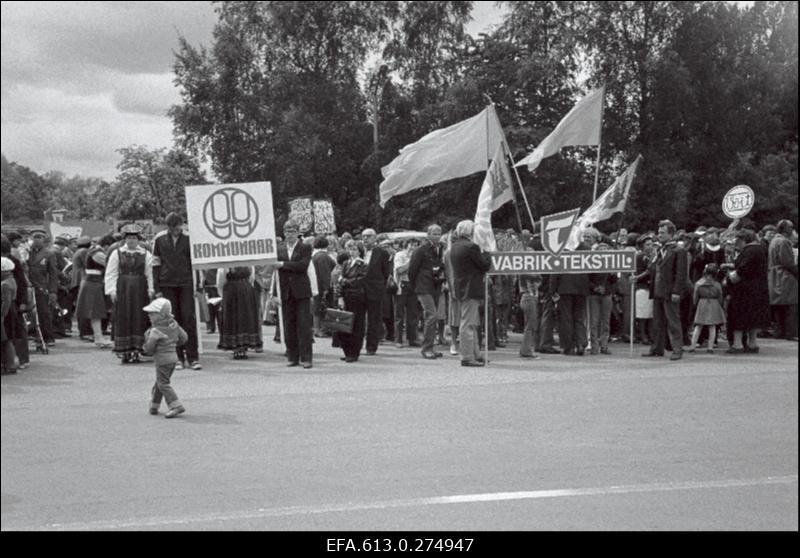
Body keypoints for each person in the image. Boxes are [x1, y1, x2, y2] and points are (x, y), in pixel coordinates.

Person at [152, 213, 201, 370]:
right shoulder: (159, 239)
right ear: (167, 226)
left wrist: (198, 285)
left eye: (178, 226)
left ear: (182, 224)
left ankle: (193, 357)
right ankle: (177, 357)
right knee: (172, 321)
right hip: (167, 283)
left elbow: (197, 263)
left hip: (186, 283)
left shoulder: (189, 238)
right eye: (172, 227)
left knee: (188, 319)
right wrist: (156, 288)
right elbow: (156, 263)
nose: (175, 230)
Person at [105, 224, 154, 363]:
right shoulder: (117, 253)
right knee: (123, 316)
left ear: (138, 239)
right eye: (129, 238)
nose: (131, 241)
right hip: (123, 288)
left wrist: (151, 289)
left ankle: (138, 350)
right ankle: (124, 351)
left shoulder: (146, 254)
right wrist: (112, 290)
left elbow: (150, 273)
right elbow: (111, 273)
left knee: (139, 317)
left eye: (134, 238)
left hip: (140, 289)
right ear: (125, 239)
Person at [643, 220, 688, 361]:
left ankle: (677, 349)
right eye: (659, 232)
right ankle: (657, 348)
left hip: (670, 291)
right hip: (657, 290)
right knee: (657, 322)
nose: (659, 235)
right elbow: (652, 268)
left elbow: (681, 274)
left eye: (662, 233)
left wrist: (677, 291)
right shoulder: (658, 250)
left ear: (671, 234)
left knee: (673, 321)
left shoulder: (679, 250)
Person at [450, 220, 491, 367]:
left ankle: (475, 354)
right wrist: (487, 253)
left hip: (461, 287)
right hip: (471, 288)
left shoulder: (455, 246)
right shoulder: (471, 247)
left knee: (471, 322)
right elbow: (484, 265)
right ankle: (467, 356)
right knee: (468, 324)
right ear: (471, 232)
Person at [275, 219, 313, 368]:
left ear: (298, 233)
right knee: (288, 325)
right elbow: (276, 274)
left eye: (292, 231)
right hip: (286, 291)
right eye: (287, 231)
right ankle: (292, 356)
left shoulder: (305, 247)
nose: (289, 234)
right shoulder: (279, 249)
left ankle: (306, 358)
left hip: (301, 291)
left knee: (304, 326)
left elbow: (302, 266)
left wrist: (283, 264)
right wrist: (274, 293)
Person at [725, 229, 770, 354]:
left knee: (738, 316)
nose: (736, 243)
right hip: (758, 288)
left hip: (744, 290)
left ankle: (737, 344)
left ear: (743, 239)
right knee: (753, 318)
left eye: (738, 240)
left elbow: (743, 270)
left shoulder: (749, 251)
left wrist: (729, 278)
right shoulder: (760, 249)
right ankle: (752, 343)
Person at [142, 298, 188, 418]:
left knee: (163, 384)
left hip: (162, 360)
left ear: (160, 315)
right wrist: (173, 344)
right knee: (160, 382)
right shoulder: (174, 325)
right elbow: (184, 338)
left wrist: (145, 346)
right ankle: (154, 405)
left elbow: (149, 349)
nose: (149, 315)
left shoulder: (155, 331)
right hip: (173, 358)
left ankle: (176, 405)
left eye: (152, 313)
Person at [408, 224, 445, 360]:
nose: (437, 236)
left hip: (435, 286)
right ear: (428, 235)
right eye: (434, 234)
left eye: (439, 233)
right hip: (423, 286)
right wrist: (416, 286)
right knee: (432, 315)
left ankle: (430, 346)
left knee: (431, 317)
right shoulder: (421, 250)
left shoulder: (440, 248)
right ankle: (427, 348)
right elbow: (412, 270)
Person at [217, 266, 262, 359]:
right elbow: (221, 280)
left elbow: (251, 277)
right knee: (234, 319)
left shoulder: (247, 262)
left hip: (242, 291)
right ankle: (237, 348)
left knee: (245, 318)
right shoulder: (225, 264)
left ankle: (243, 346)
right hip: (235, 291)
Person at [334, 240, 369, 362]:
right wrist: (339, 297)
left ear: (360, 252)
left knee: (356, 326)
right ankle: (347, 350)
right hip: (346, 297)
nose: (352, 252)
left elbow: (358, 282)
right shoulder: (346, 263)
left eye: (354, 249)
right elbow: (339, 281)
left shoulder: (363, 265)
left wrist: (344, 281)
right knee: (344, 324)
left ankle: (354, 352)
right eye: (350, 249)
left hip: (357, 298)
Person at [75, 239, 112, 348]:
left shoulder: (94, 252)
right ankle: (98, 337)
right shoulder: (98, 253)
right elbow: (110, 264)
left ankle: (98, 337)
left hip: (92, 283)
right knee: (95, 312)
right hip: (93, 284)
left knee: (95, 313)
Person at [360, 228, 391, 355]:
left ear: (375, 238)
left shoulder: (382, 253)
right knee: (359, 319)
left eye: (368, 236)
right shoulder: (358, 251)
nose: (365, 238)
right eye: (363, 236)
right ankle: (356, 346)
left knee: (374, 320)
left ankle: (371, 347)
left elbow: (386, 272)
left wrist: (380, 286)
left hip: (375, 290)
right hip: (358, 290)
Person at [1, 235, 29, 369]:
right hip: (8, 300)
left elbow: (22, 282)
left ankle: (22, 359)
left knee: (16, 332)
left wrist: (23, 301)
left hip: (12, 301)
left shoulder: (12, 262)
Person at [26, 232, 59, 347]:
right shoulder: (26, 252)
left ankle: (48, 336)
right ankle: (34, 334)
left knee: (44, 312)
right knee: (29, 313)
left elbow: (53, 274)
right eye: (35, 237)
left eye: (39, 237)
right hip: (27, 285)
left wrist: (53, 291)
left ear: (44, 240)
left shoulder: (49, 254)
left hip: (41, 287)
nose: (37, 240)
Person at [768, 220, 798, 341]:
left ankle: (779, 332)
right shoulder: (784, 241)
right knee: (791, 305)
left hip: (774, 275)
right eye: (791, 227)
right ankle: (791, 333)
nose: (792, 229)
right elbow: (788, 262)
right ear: (785, 229)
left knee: (779, 306)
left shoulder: (774, 240)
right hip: (784, 275)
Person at [588, 240, 617, 355]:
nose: (603, 252)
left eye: (605, 250)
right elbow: (587, 279)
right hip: (594, 295)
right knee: (594, 321)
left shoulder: (611, 264)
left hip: (607, 295)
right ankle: (594, 346)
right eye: (601, 250)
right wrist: (595, 288)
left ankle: (604, 345)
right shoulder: (591, 263)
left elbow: (614, 281)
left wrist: (613, 274)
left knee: (605, 321)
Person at [688, 263, 725, 353]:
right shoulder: (717, 284)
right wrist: (721, 305)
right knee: (712, 326)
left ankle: (692, 346)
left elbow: (695, 297)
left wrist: (696, 304)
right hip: (714, 304)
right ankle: (710, 347)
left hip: (702, 303)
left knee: (698, 326)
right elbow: (720, 296)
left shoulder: (698, 284)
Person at [393, 238, 420, 348]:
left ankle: (412, 339)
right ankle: (398, 340)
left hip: (413, 285)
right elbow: (400, 270)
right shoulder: (400, 255)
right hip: (402, 285)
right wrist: (411, 261)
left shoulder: (417, 256)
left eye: (416, 245)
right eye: (411, 245)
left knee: (413, 314)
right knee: (399, 314)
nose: (413, 247)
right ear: (406, 245)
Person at [311, 236, 336, 338]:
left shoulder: (315, 255)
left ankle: (317, 329)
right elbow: (324, 273)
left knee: (317, 307)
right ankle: (320, 329)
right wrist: (326, 287)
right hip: (321, 285)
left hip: (316, 284)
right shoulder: (323, 256)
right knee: (321, 307)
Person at [1, 257, 18, 375]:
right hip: (12, 310)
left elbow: (5, 302)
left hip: (6, 313)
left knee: (5, 340)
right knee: (8, 339)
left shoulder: (5, 284)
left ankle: (10, 364)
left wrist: (2, 315)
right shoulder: (12, 280)